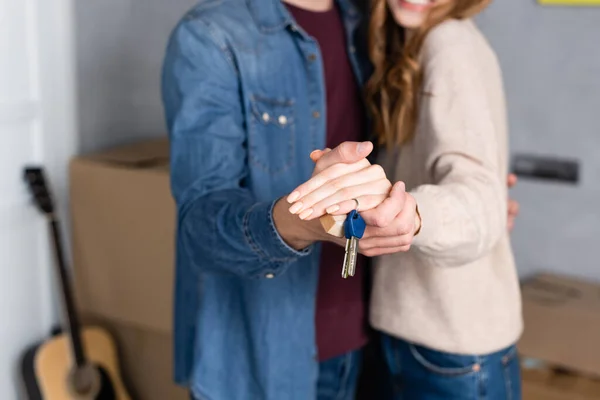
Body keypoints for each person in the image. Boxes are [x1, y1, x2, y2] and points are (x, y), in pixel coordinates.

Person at [161, 0, 519, 399]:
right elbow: (200, 228)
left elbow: (432, 176)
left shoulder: (372, 25)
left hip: (373, 345)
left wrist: (459, 208)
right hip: (267, 356)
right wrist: (301, 221)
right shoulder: (213, 36)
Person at [289, 0, 524, 398]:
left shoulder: (449, 44)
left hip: (450, 344)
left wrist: (413, 215)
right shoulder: (405, 42)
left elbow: (479, 197)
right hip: (416, 334)